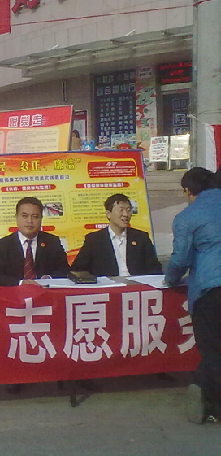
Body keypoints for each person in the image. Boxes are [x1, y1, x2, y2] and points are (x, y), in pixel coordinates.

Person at [165, 167, 221, 424]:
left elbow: (181, 259)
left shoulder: (187, 216)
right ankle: (201, 386)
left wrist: (170, 280)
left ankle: (213, 405)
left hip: (211, 289)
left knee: (212, 349)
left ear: (188, 191)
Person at [70, 193, 162, 277]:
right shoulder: (94, 240)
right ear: (108, 214)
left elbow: (155, 268)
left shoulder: (141, 237)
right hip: (109, 286)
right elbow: (77, 269)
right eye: (121, 210)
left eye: (128, 210)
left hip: (137, 285)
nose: (126, 214)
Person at [0, 197, 69, 286]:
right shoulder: (1, 246)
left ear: (41, 218)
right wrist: (20, 283)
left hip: (45, 291)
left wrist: (49, 278)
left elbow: (64, 270)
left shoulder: (52, 242)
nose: (30, 221)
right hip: (14, 292)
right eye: (24, 216)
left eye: (35, 217)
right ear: (16, 217)